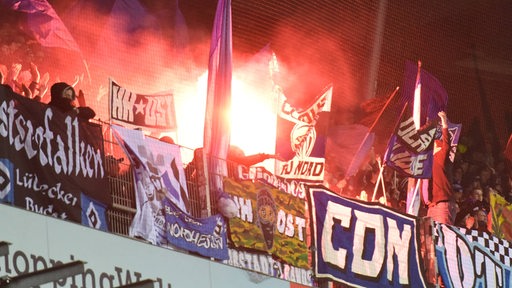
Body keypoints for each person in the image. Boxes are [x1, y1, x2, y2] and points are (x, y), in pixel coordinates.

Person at [427, 111, 453, 224]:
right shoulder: (427, 159)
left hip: (441, 203)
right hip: (432, 205)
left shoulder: (440, 155)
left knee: (441, 236)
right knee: (427, 237)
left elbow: (446, 145)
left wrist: (444, 123)